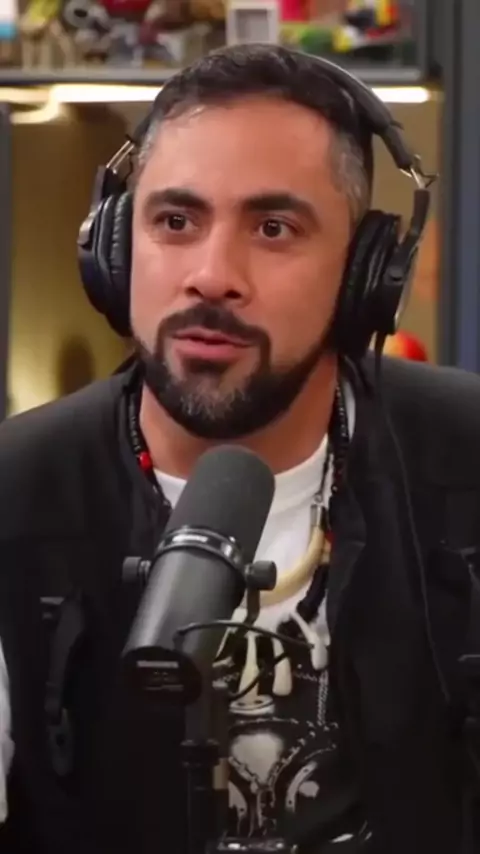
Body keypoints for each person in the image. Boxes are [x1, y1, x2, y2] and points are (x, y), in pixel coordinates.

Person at [0, 43, 479, 854]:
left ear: (367, 273)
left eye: (273, 227)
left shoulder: (466, 457)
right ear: (113, 247)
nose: (213, 274)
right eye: (175, 221)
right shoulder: (15, 492)